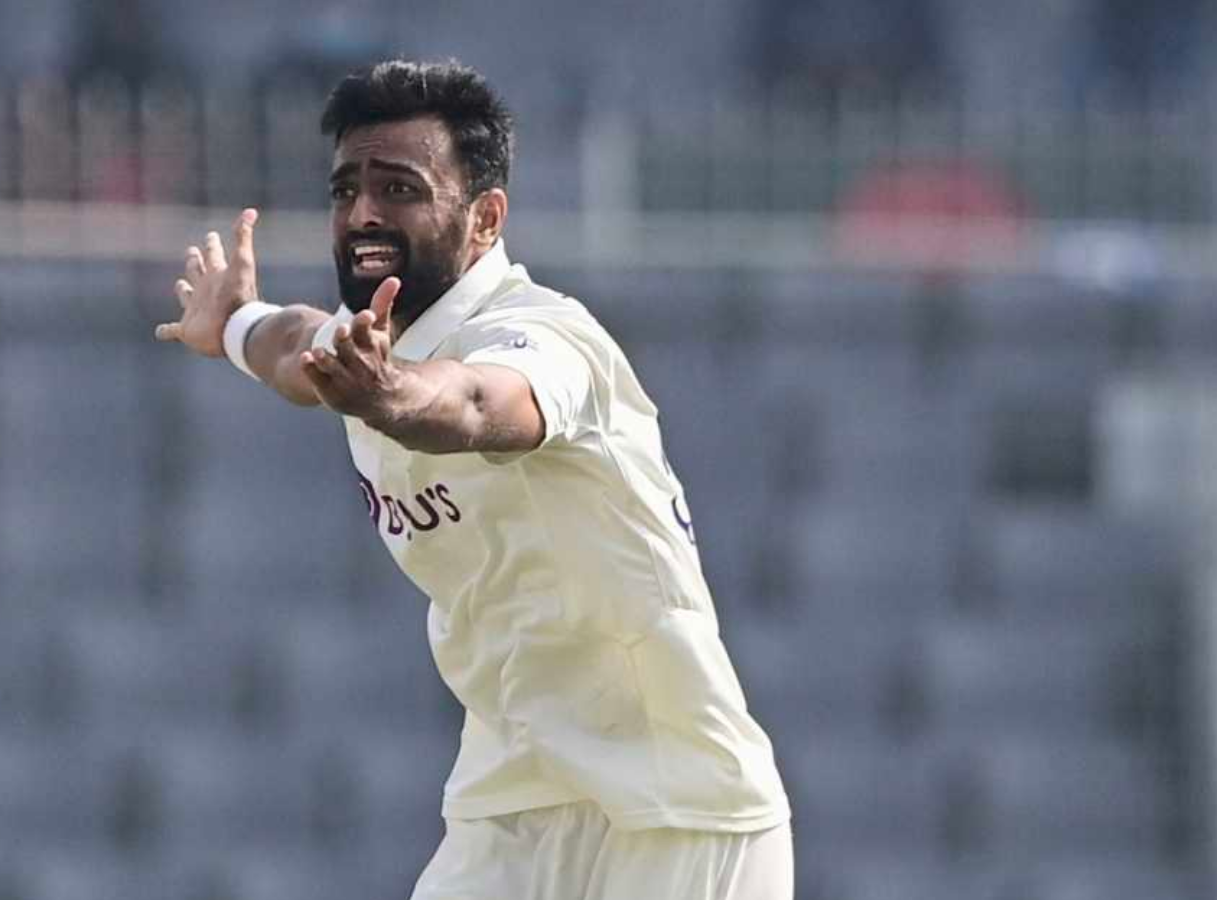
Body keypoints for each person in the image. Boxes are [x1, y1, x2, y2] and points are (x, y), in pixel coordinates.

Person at [154, 59, 792, 900]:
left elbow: (480, 402)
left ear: (485, 218)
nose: (363, 213)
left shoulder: (549, 337)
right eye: (346, 189)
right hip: (512, 799)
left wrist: (389, 397)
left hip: (678, 809)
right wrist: (234, 323)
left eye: (400, 188)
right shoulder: (364, 343)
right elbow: (295, 344)